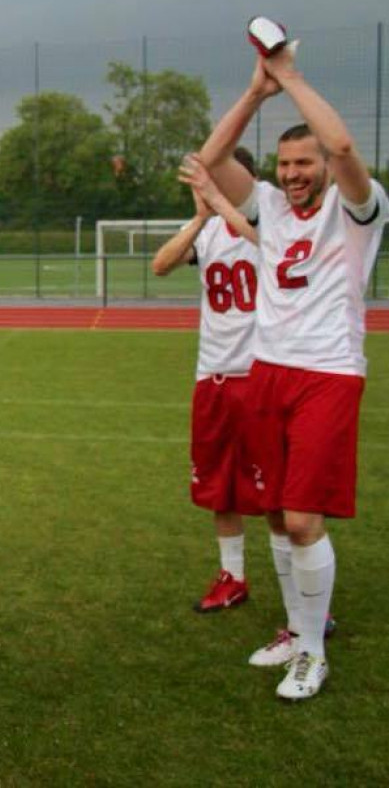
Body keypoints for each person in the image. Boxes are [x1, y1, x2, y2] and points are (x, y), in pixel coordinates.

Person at [200, 39, 387, 700]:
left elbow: (342, 149)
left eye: (302, 162)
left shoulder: (358, 210)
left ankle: (311, 648)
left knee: (303, 517)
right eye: (284, 164)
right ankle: (294, 629)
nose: (293, 174)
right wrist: (255, 91)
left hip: (326, 375)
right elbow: (213, 160)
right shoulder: (270, 208)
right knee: (276, 516)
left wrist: (293, 78)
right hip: (265, 372)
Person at [152, 149, 261, 613]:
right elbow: (161, 265)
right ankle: (232, 575)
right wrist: (199, 219)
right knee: (219, 486)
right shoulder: (207, 229)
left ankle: (304, 592)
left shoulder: (269, 226)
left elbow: (266, 247)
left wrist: (229, 207)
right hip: (213, 375)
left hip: (263, 374)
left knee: (277, 491)